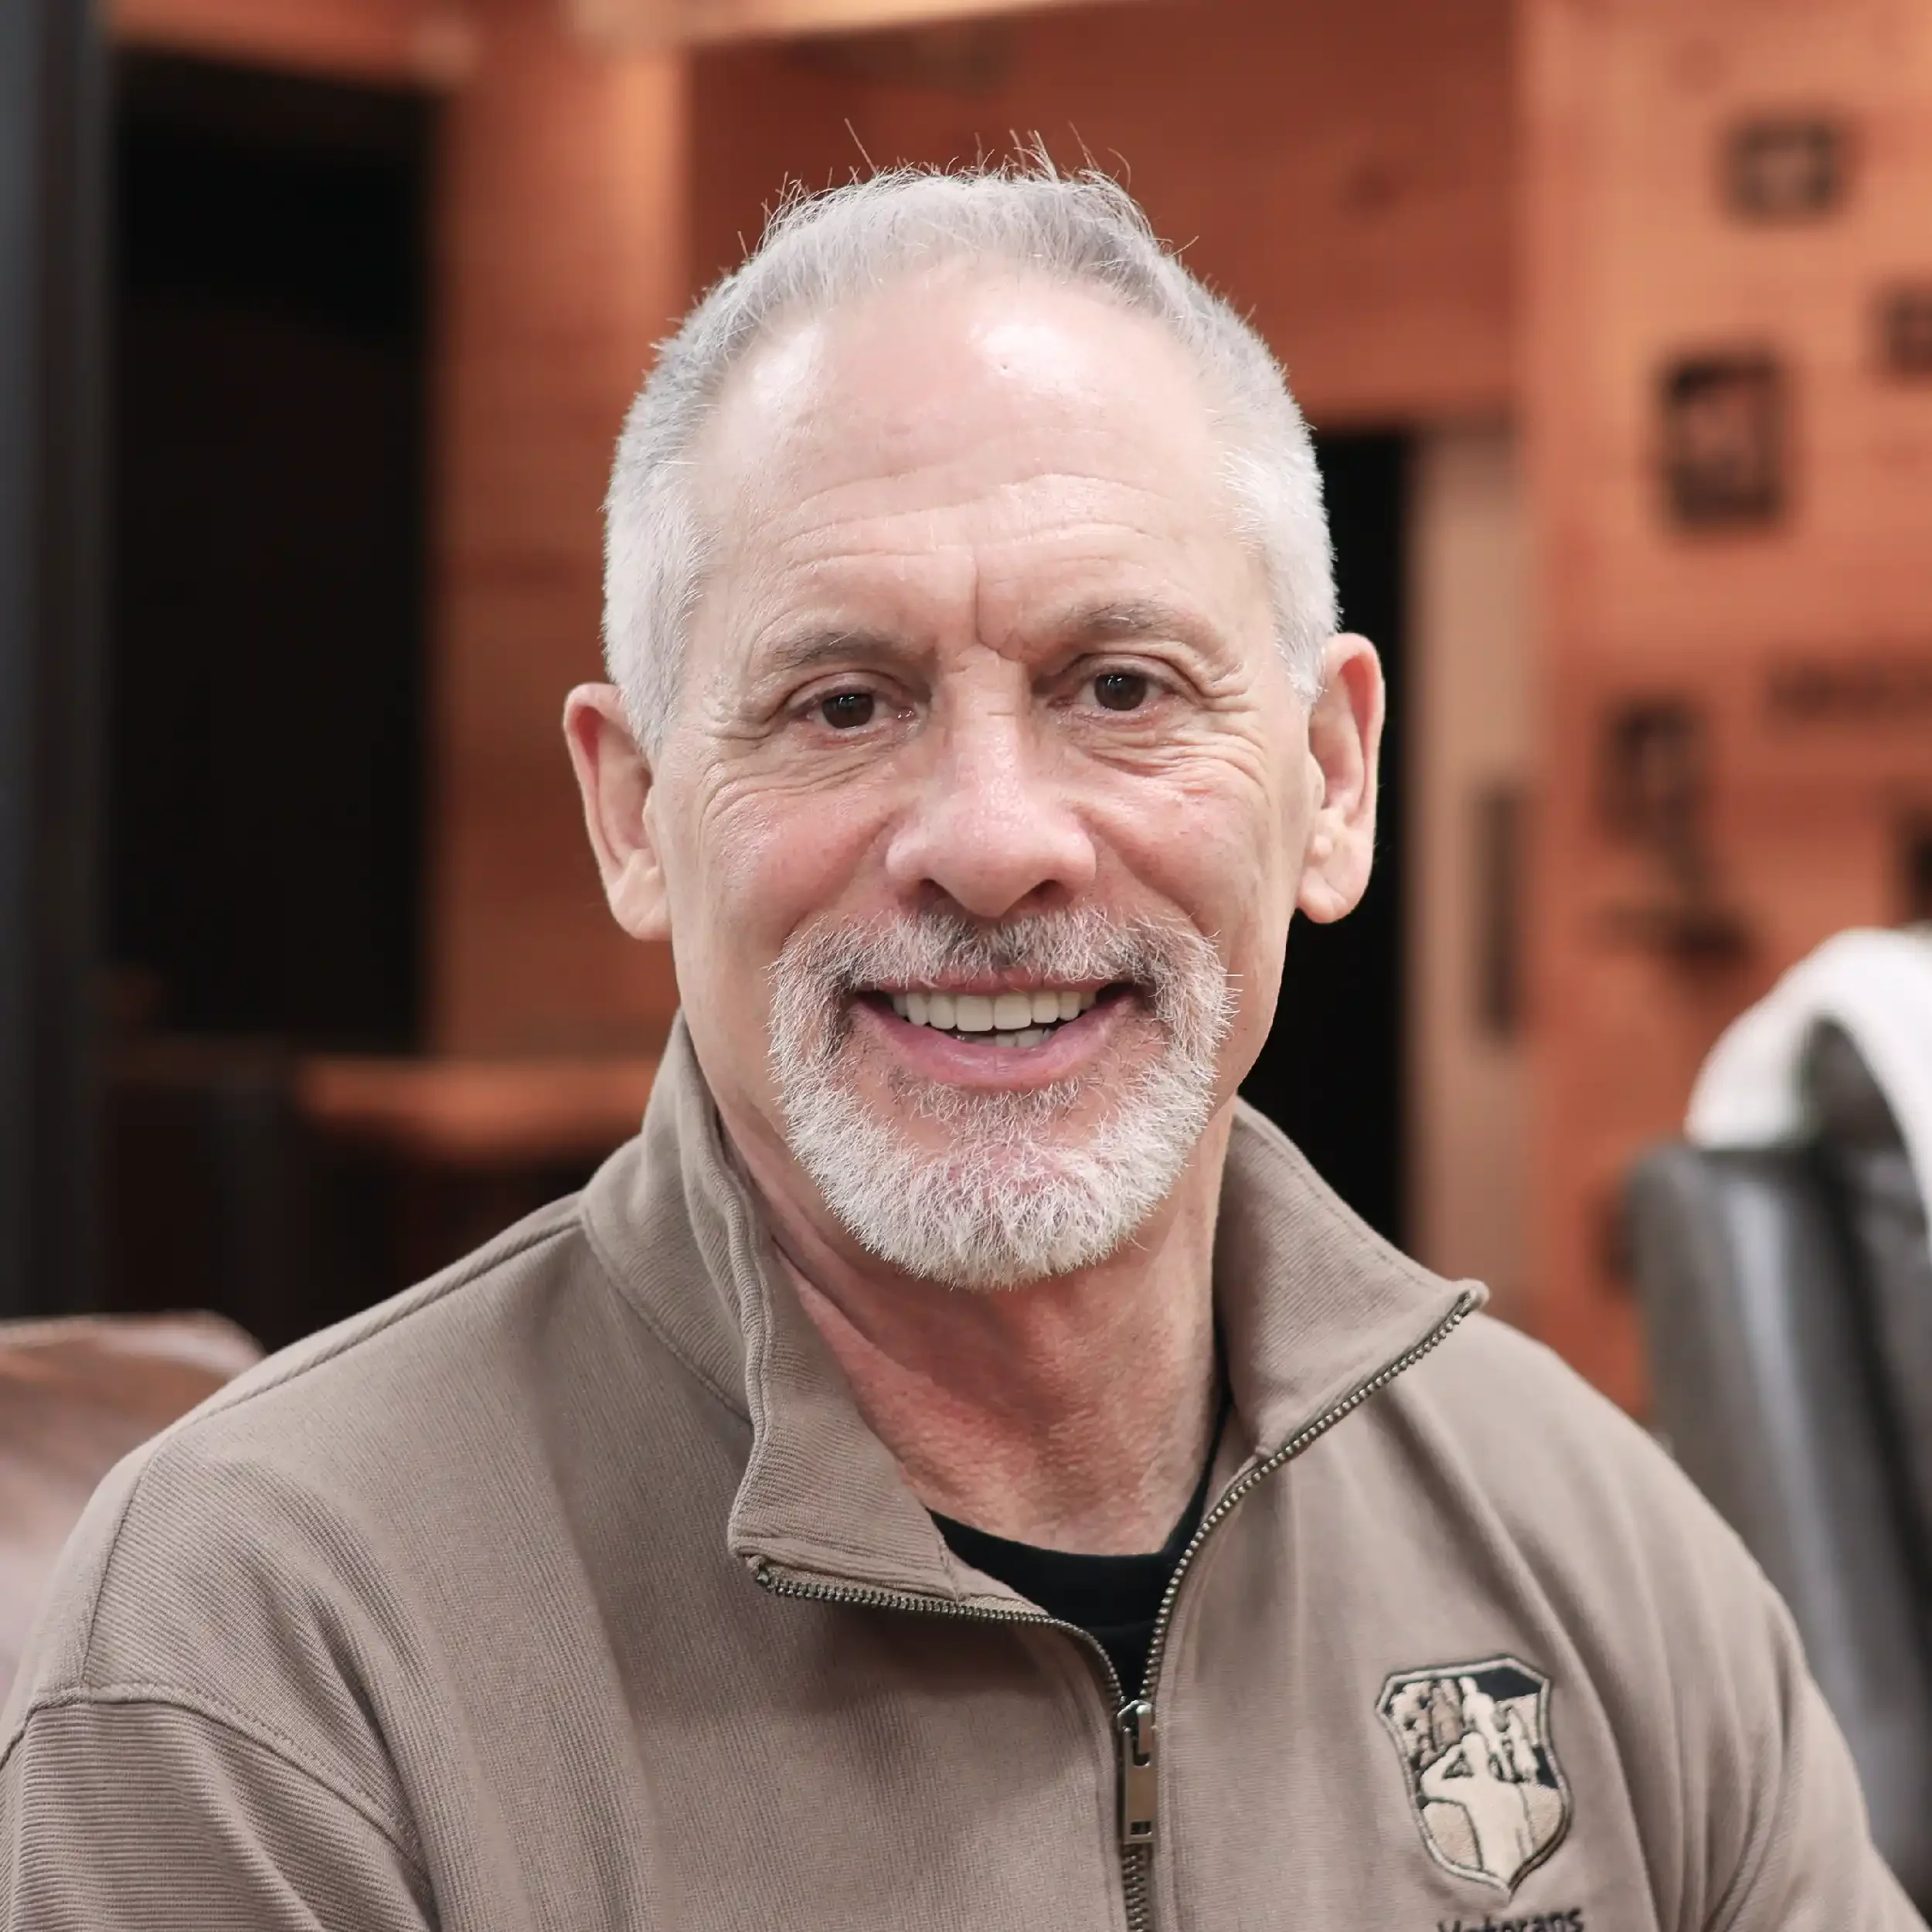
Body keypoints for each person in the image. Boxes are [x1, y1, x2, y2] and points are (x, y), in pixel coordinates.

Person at [1, 164, 1920, 1930]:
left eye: (1118, 686)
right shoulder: (268, 1642)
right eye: (844, 703)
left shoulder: (1597, 1543)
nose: (993, 840)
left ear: (1329, 782)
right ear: (631, 811)